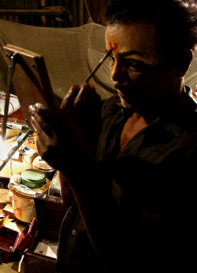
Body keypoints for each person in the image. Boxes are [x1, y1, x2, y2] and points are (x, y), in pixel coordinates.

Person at [29, 0, 197, 272]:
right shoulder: (108, 112)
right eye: (111, 58)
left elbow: (128, 260)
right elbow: (72, 205)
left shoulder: (188, 151)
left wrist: (76, 165)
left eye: (133, 63)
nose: (115, 75)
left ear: (180, 63)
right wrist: (73, 139)